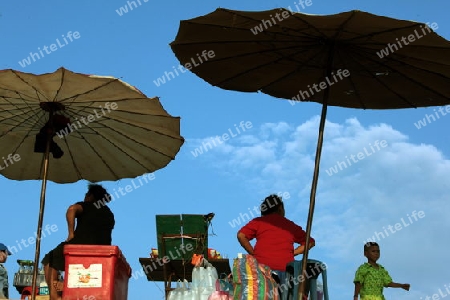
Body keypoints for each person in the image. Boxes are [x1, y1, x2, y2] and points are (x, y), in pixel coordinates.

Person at [41, 183, 115, 300]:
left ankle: (55, 297)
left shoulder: (88, 205)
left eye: (86, 194)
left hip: (79, 247)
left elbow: (71, 209)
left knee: (49, 259)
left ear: (90, 196)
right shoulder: (109, 214)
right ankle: (66, 285)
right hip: (102, 253)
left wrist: (71, 233)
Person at [237, 194, 315, 297]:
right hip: (286, 272)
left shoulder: (258, 222)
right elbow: (310, 242)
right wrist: (293, 252)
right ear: (280, 208)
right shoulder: (289, 225)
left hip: (262, 272)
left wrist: (253, 253)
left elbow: (241, 235)